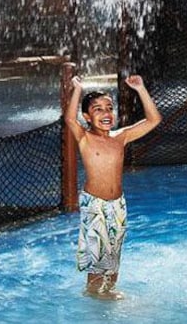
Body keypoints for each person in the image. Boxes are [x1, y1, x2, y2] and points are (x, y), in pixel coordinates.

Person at [64, 74, 162, 300]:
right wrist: (78, 89)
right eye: (97, 109)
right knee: (97, 257)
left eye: (109, 108)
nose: (106, 113)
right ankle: (92, 294)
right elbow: (70, 119)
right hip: (94, 204)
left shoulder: (120, 137)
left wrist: (141, 89)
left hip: (117, 204)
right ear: (87, 117)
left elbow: (154, 119)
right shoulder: (85, 138)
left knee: (114, 252)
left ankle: (107, 293)